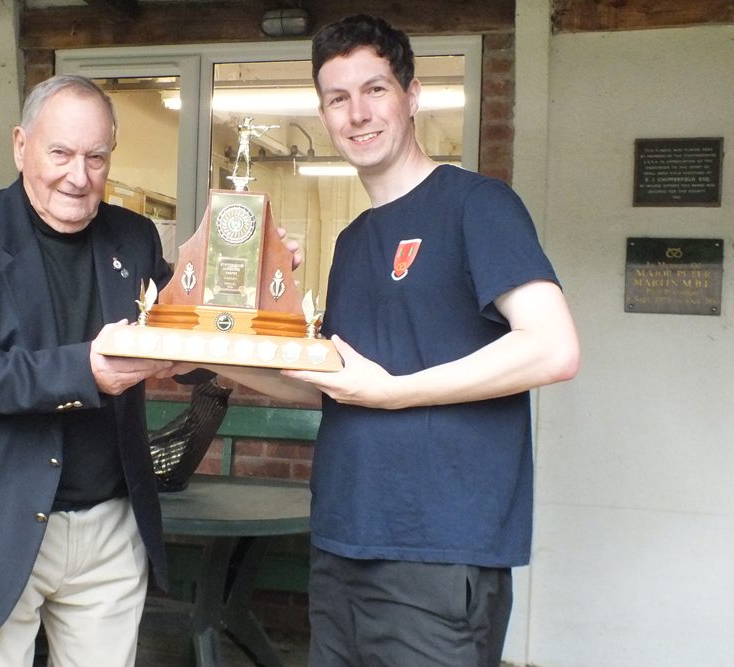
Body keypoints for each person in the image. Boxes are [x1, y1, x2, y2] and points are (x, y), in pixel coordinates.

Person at [212, 14, 580, 667]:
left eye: (375, 89)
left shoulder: (477, 205)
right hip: (341, 543)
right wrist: (239, 330)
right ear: (324, 112)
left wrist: (394, 393)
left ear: (412, 96)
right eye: (337, 97)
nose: (357, 112)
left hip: (436, 557)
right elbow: (328, 375)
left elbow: (553, 347)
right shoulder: (354, 242)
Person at [0, 75, 191, 667]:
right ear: (20, 146)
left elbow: (179, 333)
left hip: (112, 527)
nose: (78, 176)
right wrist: (82, 370)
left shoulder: (133, 236)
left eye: (96, 157)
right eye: (59, 153)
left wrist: (255, 288)